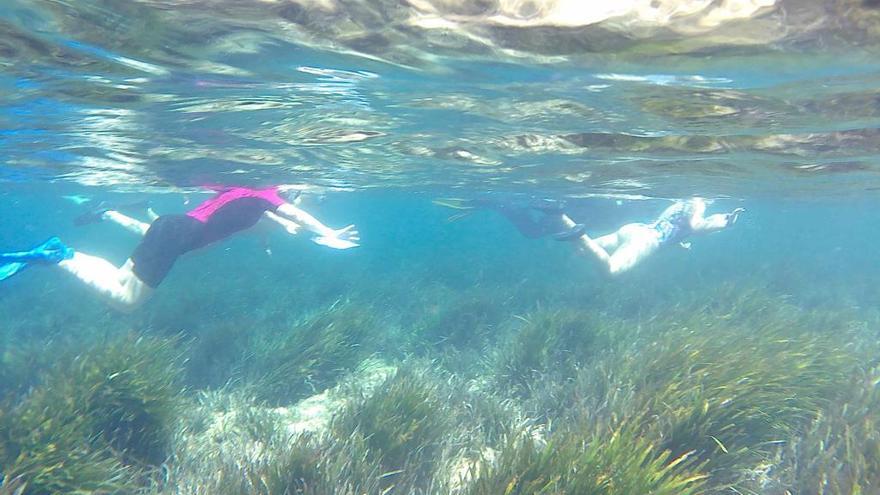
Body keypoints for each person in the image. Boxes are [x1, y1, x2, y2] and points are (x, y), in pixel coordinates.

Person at [0, 185, 360, 310]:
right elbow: (294, 214)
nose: (294, 195)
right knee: (126, 301)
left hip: (171, 226)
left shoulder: (239, 191)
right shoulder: (264, 194)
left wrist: (319, 233)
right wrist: (327, 232)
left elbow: (286, 219)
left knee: (120, 284)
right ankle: (58, 256)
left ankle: (61, 252)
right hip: (177, 234)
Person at [436, 196, 744, 276]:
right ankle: (573, 230)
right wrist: (725, 223)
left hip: (636, 230)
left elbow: (678, 230)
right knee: (610, 272)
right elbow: (701, 225)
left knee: (584, 254)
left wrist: (682, 243)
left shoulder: (680, 206)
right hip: (644, 241)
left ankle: (561, 216)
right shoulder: (697, 211)